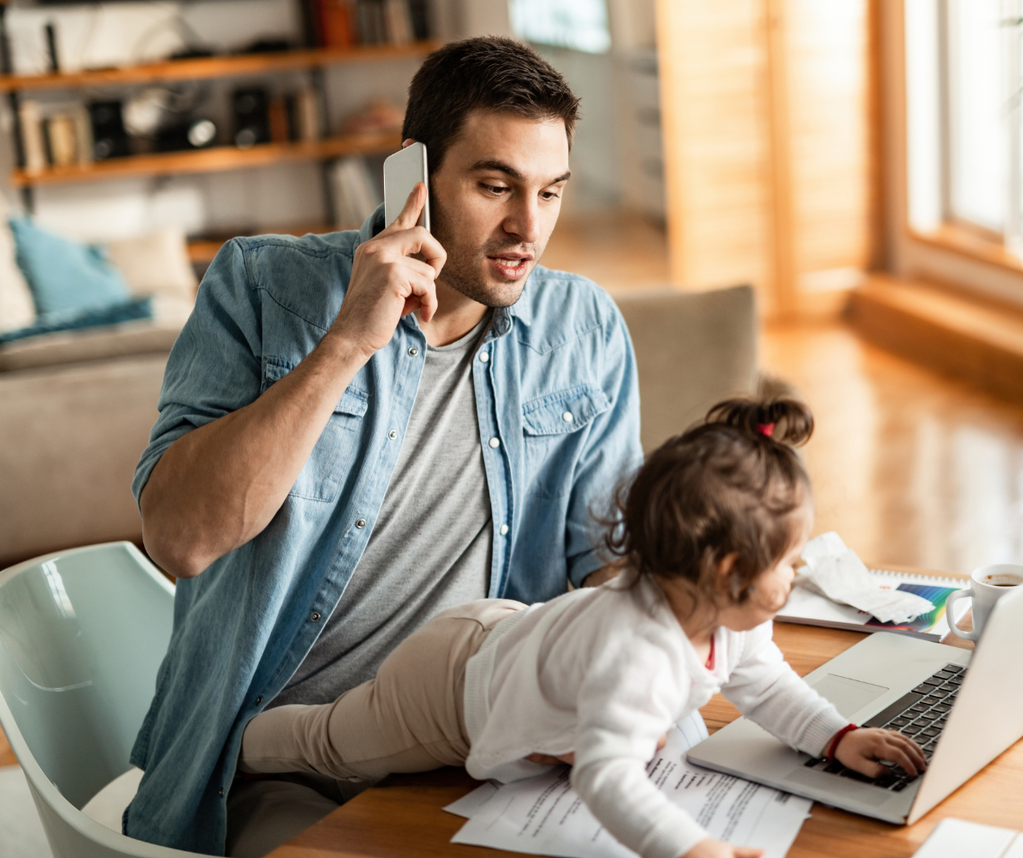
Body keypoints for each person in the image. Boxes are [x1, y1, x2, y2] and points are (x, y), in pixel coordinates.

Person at [124, 37, 641, 854]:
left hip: (484, 753)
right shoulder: (261, 287)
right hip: (282, 765)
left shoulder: (583, 329)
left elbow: (610, 566)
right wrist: (345, 346)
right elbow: (181, 539)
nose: (527, 228)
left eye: (551, 192)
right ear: (414, 177)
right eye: (495, 185)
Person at [236, 397, 927, 858]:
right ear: (725, 570)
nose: (800, 570)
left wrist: (837, 737)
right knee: (329, 743)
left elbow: (765, 683)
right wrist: (692, 850)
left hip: (511, 637)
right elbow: (608, 778)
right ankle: (229, 749)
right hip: (444, 694)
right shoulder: (640, 653)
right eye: (790, 559)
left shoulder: (726, 618)